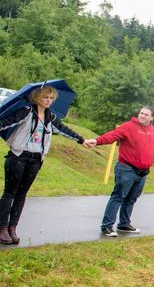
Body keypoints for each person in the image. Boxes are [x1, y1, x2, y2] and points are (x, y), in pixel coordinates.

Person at [0, 86, 91, 245]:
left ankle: (13, 228)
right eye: (45, 97)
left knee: (22, 194)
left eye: (51, 98)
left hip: (36, 160)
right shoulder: (26, 111)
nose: (48, 100)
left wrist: (82, 140)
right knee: (10, 193)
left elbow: (64, 129)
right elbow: (5, 122)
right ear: (36, 98)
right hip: (18, 157)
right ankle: (2, 228)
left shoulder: (50, 117)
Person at [94, 106, 154, 237]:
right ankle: (107, 227)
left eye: (146, 114)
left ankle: (124, 224)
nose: (142, 116)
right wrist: (96, 141)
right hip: (126, 169)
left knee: (131, 199)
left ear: (152, 118)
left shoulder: (152, 130)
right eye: (141, 113)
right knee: (118, 197)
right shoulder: (128, 126)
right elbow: (112, 135)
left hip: (142, 172)